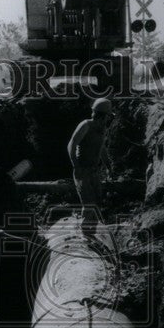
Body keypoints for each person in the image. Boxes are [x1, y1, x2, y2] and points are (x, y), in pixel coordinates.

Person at [67, 98, 113, 235]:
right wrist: (76, 166)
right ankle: (85, 235)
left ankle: (91, 232)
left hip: (94, 170)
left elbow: (101, 148)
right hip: (83, 170)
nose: (108, 119)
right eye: (108, 116)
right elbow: (71, 145)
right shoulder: (86, 125)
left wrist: (108, 165)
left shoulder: (102, 128)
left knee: (97, 201)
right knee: (89, 204)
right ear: (103, 115)